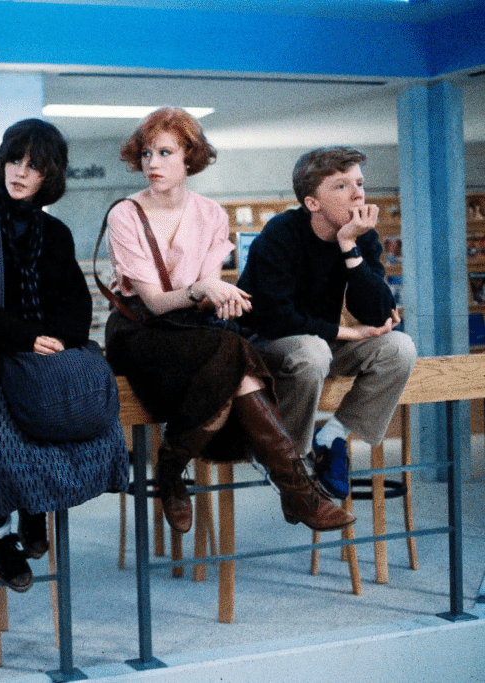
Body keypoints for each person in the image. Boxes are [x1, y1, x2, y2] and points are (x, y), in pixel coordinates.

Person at [103, 108, 355, 535]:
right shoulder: (125, 214)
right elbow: (156, 302)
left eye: (165, 152)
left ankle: (176, 468)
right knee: (235, 354)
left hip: (193, 330)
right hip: (140, 329)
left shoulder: (212, 215)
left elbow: (201, 300)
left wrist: (222, 301)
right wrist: (204, 290)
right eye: (146, 153)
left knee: (233, 352)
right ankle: (295, 487)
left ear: (190, 157)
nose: (153, 164)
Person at [0, 119, 128, 592]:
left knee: (75, 422)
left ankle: (35, 504)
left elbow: (76, 302)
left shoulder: (56, 233)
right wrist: (26, 337)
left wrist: (58, 341)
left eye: (34, 166)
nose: (19, 172)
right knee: (0, 438)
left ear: (50, 177)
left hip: (39, 363)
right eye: (14, 160)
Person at [237, 147, 416, 499]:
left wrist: (349, 246)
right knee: (313, 351)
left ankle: (332, 435)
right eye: (341, 186)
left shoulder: (361, 234)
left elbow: (378, 314)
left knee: (399, 348)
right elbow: (276, 318)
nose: (357, 193)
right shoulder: (281, 234)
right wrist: (348, 332)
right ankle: (286, 457)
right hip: (265, 341)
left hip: (318, 341)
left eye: (360, 183)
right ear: (312, 203)